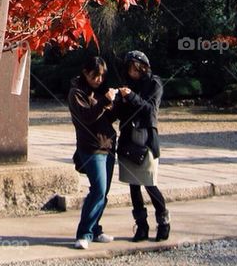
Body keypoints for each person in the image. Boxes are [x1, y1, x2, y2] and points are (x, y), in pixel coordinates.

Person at [115, 50, 170, 241]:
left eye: (134, 68)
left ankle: (163, 222)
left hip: (146, 138)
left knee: (149, 183)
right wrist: (117, 101)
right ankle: (141, 226)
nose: (132, 72)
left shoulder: (154, 83)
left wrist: (131, 96)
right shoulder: (128, 84)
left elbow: (150, 110)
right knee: (133, 186)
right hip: (128, 139)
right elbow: (121, 114)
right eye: (129, 69)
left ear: (142, 67)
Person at [67, 54, 119, 250]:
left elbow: (108, 118)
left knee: (103, 193)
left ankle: (95, 229)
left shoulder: (101, 91)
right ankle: (84, 233)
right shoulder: (76, 93)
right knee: (98, 190)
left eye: (101, 76)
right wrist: (104, 102)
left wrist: (116, 103)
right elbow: (87, 117)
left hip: (108, 144)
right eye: (94, 76)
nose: (98, 79)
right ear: (85, 73)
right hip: (90, 147)